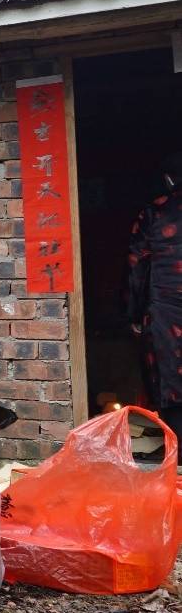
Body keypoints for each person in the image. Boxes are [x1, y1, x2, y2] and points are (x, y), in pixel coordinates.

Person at [127, 153, 182, 431]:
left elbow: (138, 267)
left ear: (168, 179)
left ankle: (179, 456)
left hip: (166, 313)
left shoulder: (154, 213)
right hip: (166, 310)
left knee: (171, 382)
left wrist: (134, 315)